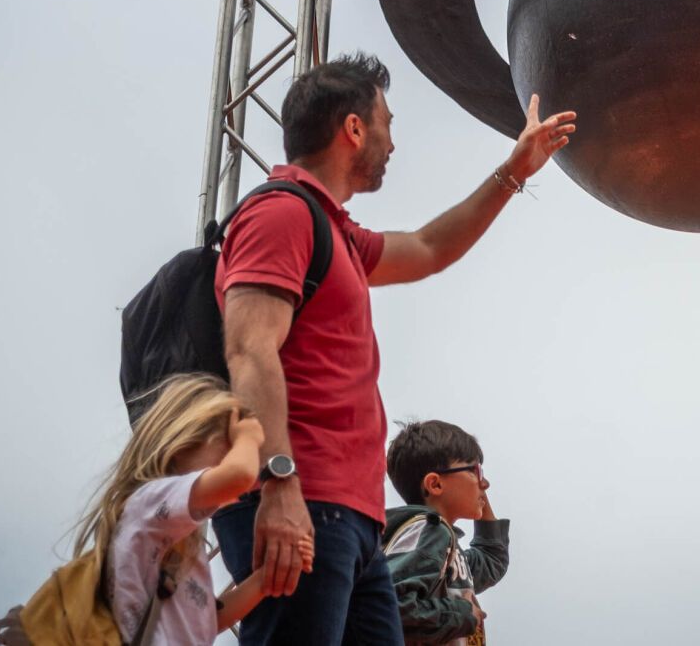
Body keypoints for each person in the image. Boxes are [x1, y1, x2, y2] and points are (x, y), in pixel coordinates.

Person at [214, 53, 573, 646]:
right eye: (387, 122)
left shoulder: (339, 233)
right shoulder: (280, 212)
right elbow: (250, 351)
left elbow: (430, 247)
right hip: (302, 501)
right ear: (354, 128)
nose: (392, 142)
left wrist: (515, 170)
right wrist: (279, 487)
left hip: (352, 518)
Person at [77, 373, 302, 644]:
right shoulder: (150, 502)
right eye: (226, 447)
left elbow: (210, 620)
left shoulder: (179, 540)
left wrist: (265, 578)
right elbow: (239, 476)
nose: (233, 457)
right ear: (181, 445)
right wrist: (250, 436)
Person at [381, 420, 510, 646]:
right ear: (435, 484)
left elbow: (492, 560)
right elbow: (390, 604)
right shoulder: (429, 531)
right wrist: (462, 614)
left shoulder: (444, 544)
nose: (485, 483)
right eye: (475, 470)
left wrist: (477, 490)